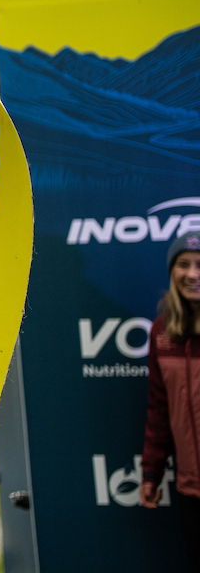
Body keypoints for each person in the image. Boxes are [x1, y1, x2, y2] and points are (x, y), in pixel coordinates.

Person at [140, 230, 200, 566]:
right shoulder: (162, 332)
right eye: (183, 264)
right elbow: (159, 409)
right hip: (191, 490)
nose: (192, 274)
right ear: (172, 271)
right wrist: (152, 472)